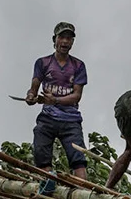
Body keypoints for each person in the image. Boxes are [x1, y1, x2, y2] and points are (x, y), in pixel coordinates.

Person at [24, 21, 89, 183]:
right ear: (55, 40)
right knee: (41, 151)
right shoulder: (43, 63)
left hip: (71, 120)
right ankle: (48, 183)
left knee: (78, 160)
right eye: (62, 37)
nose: (65, 42)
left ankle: (83, 193)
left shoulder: (78, 65)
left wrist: (55, 100)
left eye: (69, 38)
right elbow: (33, 88)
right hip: (48, 118)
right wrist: (31, 97)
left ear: (72, 42)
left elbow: (77, 95)